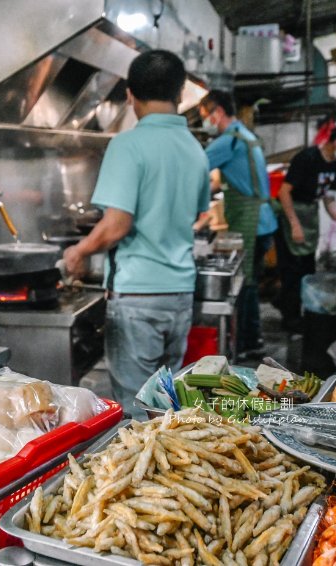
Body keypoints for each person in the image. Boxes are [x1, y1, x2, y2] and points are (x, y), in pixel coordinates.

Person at [63, 50, 209, 416]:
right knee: (167, 402)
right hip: (179, 294)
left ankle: (147, 472)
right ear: (180, 93)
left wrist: (78, 252)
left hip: (138, 298)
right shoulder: (195, 149)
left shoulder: (128, 144)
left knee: (138, 408)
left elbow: (117, 224)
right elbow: (196, 213)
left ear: (130, 95)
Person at [199, 90, 277, 360]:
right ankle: (251, 341)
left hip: (252, 220)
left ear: (217, 112)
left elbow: (193, 168)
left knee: (245, 285)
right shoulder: (245, 134)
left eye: (205, 115)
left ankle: (247, 344)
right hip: (263, 219)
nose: (206, 121)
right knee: (249, 284)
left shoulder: (228, 140)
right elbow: (220, 179)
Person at [274, 122, 336, 333]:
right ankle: (290, 320)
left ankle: (292, 309)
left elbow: (329, 198)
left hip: (310, 216)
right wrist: (295, 225)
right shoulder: (307, 158)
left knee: (307, 270)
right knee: (291, 272)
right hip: (291, 215)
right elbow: (284, 193)